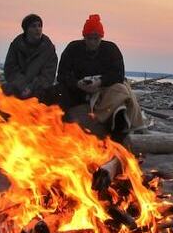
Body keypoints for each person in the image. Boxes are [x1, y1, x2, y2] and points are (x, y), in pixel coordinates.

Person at [57, 14, 144, 143]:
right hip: (78, 91)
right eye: (89, 38)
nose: (92, 42)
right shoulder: (73, 49)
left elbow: (118, 75)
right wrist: (77, 84)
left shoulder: (111, 49)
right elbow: (62, 74)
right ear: (84, 37)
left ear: (101, 37)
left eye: (96, 38)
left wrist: (100, 81)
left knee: (121, 90)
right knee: (57, 92)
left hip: (105, 89)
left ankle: (118, 124)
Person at [3, 14, 58, 103]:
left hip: (38, 90)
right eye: (33, 26)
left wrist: (31, 88)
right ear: (26, 30)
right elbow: (10, 69)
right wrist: (22, 86)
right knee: (2, 93)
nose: (37, 29)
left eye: (39, 26)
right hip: (17, 87)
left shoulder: (49, 49)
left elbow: (48, 76)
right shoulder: (16, 45)